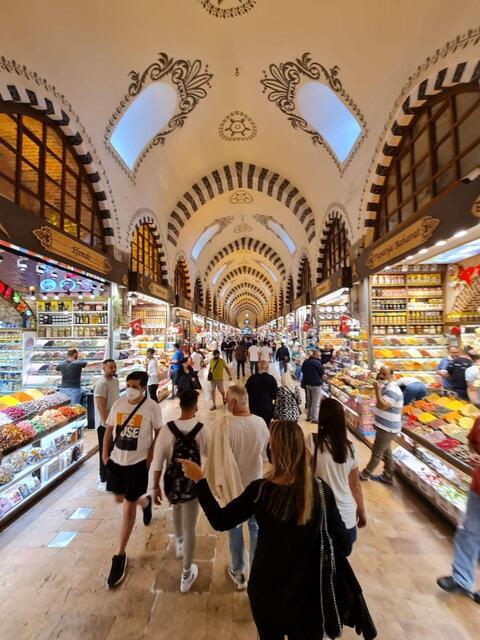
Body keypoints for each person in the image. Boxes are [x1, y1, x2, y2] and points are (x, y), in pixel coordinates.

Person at [178, 420, 376, 640]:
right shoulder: (320, 492)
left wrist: (200, 480)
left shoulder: (260, 491)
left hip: (267, 592)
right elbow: (345, 545)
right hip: (309, 598)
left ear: (273, 451)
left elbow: (220, 520)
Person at [102, 371, 162, 588]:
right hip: (117, 461)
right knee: (119, 499)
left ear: (144, 387)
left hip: (138, 464)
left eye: (135, 385)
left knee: (127, 508)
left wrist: (151, 454)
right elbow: (109, 428)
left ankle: (119, 555)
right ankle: (144, 503)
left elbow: (158, 432)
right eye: (128, 384)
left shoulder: (152, 407)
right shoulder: (118, 404)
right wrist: (104, 453)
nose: (130, 388)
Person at [206, 384, 269, 589]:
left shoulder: (224, 425)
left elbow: (214, 456)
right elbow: (263, 455)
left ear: (233, 402)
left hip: (234, 490)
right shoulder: (261, 424)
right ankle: (258, 572)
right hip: (256, 487)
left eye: (227, 400)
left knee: (234, 528)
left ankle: (238, 570)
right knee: (255, 528)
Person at [151, 390, 209, 594]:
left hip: (172, 482)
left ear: (179, 405)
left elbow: (158, 460)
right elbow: (210, 454)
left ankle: (179, 542)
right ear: (195, 406)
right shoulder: (201, 429)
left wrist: (155, 486)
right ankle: (186, 574)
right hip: (192, 483)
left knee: (176, 507)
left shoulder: (168, 429)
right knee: (191, 526)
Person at [308, 398, 367, 544]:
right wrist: (361, 510)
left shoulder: (313, 442)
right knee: (341, 565)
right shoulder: (350, 448)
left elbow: (303, 475)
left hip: (321, 516)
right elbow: (355, 486)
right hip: (346, 520)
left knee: (319, 564)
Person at [437, 417, 480, 604]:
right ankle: (461, 579)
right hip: (477, 489)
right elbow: (471, 441)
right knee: (467, 533)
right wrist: (473, 454)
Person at [360, 366, 403, 485]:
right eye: (380, 373)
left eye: (384, 374)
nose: (381, 376)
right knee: (386, 452)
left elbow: (382, 405)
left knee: (377, 452)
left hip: (388, 427)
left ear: (391, 375)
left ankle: (364, 474)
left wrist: (377, 390)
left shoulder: (393, 390)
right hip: (383, 425)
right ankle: (388, 475)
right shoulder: (386, 386)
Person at [94, 359, 120, 491]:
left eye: (114, 367)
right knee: (104, 452)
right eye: (110, 367)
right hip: (105, 425)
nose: (113, 369)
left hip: (115, 423)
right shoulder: (101, 384)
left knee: (112, 451)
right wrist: (106, 423)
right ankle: (103, 478)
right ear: (104, 368)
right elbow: (100, 406)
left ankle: (110, 478)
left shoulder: (115, 381)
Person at [245, 360, 278, 427]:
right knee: (266, 426)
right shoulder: (271, 378)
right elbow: (275, 394)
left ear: (258, 367)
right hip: (267, 407)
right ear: (266, 368)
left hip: (254, 407)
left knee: (255, 426)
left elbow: (246, 392)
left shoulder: (252, 378)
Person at [301, 350, 324, 423]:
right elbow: (321, 372)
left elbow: (303, 370)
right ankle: (314, 418)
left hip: (307, 384)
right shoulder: (317, 363)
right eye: (319, 355)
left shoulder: (306, 362)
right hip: (316, 384)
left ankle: (308, 417)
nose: (320, 357)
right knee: (315, 402)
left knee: (309, 401)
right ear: (316, 355)